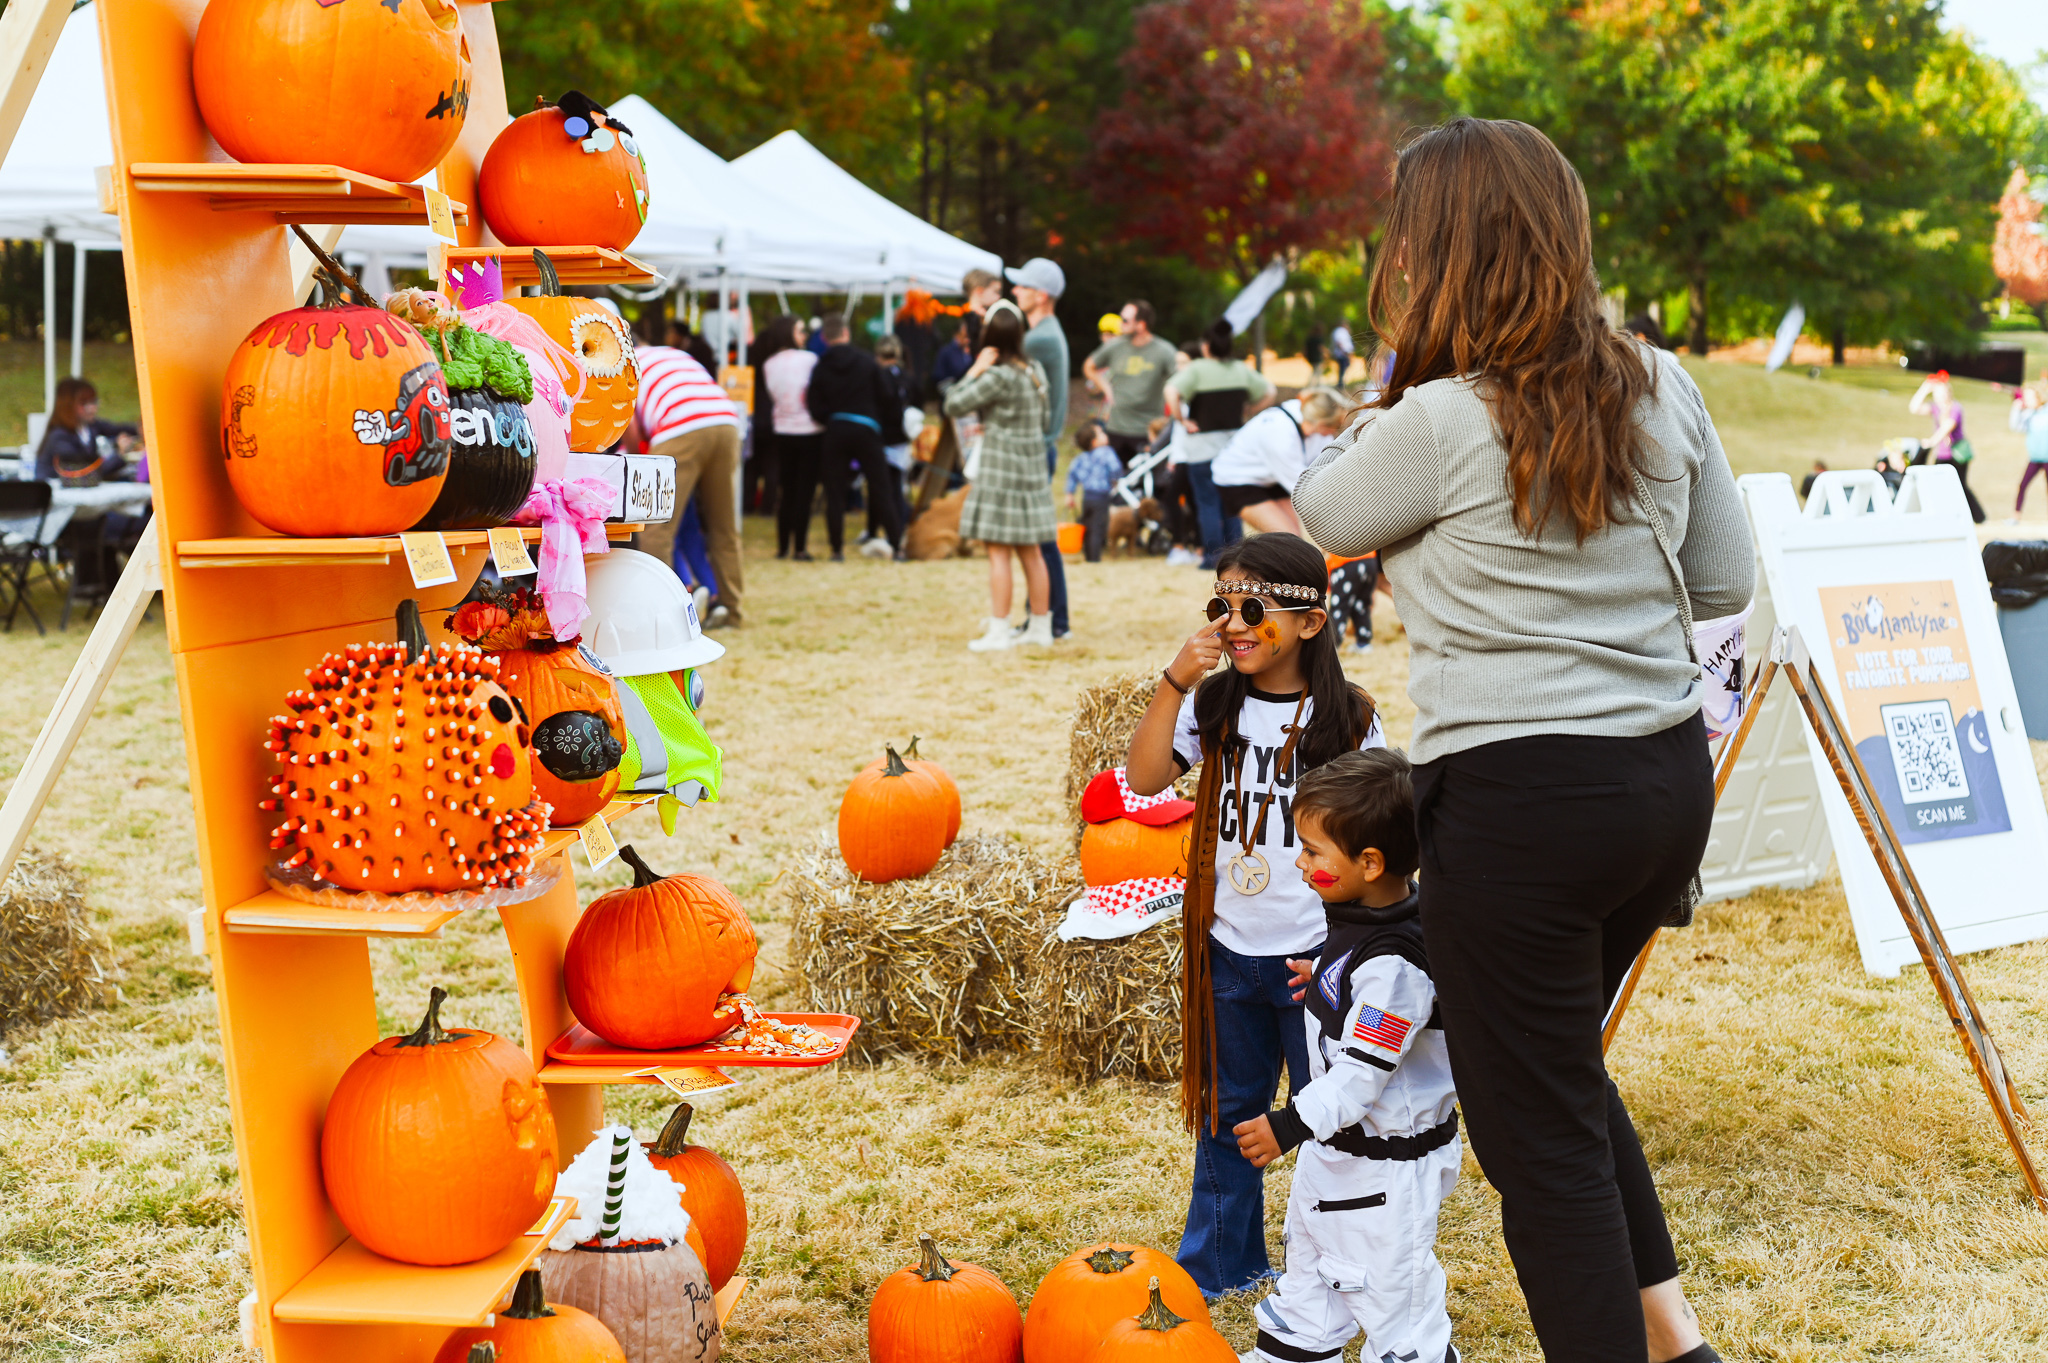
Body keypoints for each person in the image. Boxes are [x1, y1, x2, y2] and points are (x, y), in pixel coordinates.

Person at [1292, 117, 1745, 1363]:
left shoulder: (1438, 418)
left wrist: (1372, 395)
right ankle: (1674, 1341)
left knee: (1531, 1135)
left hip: (1517, 806)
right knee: (1556, 1078)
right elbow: (1721, 580)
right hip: (1657, 787)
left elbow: (1324, 508)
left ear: (1429, 258)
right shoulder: (1665, 383)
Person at [1125, 532, 1388, 1298]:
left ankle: (1337, 1262)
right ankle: (1222, 1261)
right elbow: (1142, 778)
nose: (1233, 622)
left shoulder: (1348, 717)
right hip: (1230, 948)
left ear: (1310, 622)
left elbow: (1379, 839)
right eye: (1222, 603)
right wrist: (1175, 678)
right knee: (1226, 1114)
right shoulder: (1213, 702)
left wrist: (1357, 947)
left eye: (1252, 606)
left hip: (1317, 954)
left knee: (1330, 1119)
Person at [1233, 749, 1462, 1363]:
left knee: (1391, 1294)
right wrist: (1328, 983)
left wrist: (1286, 1126)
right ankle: (1297, 1347)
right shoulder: (1361, 924)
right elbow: (1364, 1009)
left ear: (1369, 862)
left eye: (1312, 851)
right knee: (1310, 1265)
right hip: (1336, 1152)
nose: (1301, 863)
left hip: (1386, 1167)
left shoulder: (1393, 966)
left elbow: (1363, 1075)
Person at [945, 301, 1057, 650]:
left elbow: (952, 404)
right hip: (1032, 469)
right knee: (1032, 553)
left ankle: (999, 630)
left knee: (998, 553)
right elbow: (1043, 420)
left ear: (990, 336)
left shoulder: (996, 375)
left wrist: (975, 369)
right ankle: (1041, 628)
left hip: (1000, 471)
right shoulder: (1033, 370)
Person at [630, 340, 746, 627]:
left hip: (678, 428)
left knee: (656, 526)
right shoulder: (674, 353)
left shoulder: (624, 367)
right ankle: (731, 610)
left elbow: (631, 436)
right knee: (723, 527)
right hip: (726, 422)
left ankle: (663, 618)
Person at [1166, 320, 1274, 567]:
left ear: (1205, 346)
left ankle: (1212, 558)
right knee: (1232, 502)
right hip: (1233, 448)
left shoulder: (1197, 369)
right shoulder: (1239, 369)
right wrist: (1249, 410)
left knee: (1207, 503)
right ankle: (1237, 557)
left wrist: (1182, 419)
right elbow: (1269, 390)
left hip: (1201, 448)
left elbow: (1171, 392)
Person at [806, 312, 903, 561]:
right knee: (880, 487)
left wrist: (832, 418)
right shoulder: (866, 362)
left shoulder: (821, 366)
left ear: (825, 338)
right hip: (867, 428)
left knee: (835, 492)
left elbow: (813, 404)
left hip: (836, 429)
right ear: (846, 333)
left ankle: (837, 550)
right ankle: (897, 546)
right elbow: (888, 396)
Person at [1011, 255, 1072, 640]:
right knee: (1036, 537)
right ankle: (1046, 617)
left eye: (1022, 286)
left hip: (1036, 447)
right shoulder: (1046, 331)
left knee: (1037, 539)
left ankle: (1052, 620)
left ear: (1042, 294)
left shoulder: (1039, 338)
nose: (1014, 291)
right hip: (1042, 446)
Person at [1212, 387, 1349, 538]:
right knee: (1288, 537)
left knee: (1295, 539)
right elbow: (1301, 486)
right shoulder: (1278, 434)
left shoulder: (1314, 426)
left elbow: (1322, 467)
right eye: (1334, 426)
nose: (1335, 432)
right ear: (1321, 423)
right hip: (1238, 480)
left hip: (1273, 478)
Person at [1085, 300, 1180, 466]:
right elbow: (1089, 366)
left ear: (1141, 325)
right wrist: (1106, 388)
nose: (1121, 323)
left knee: (1145, 483)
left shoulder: (1164, 350)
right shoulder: (1115, 346)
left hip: (1147, 430)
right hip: (1115, 427)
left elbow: (1180, 380)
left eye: (1125, 320)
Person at [761, 315, 823, 560]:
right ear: (789, 333)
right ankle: (800, 547)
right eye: (800, 331)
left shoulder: (769, 364)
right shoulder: (810, 359)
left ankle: (783, 546)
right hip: (809, 430)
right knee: (804, 492)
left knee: (785, 490)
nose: (805, 335)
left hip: (782, 430)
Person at [1909, 370, 1985, 524]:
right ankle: (1947, 516)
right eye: (1937, 393)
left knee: (1961, 486)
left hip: (1957, 455)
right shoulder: (1935, 408)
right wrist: (1925, 388)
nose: (1940, 396)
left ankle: (1979, 517)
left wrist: (1931, 442)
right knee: (1939, 486)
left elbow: (1947, 427)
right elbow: (1914, 408)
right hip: (1942, 454)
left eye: (1942, 393)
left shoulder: (1955, 408)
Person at [36, 376, 138, 483]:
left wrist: (143, 429)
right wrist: (120, 454)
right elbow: (86, 474)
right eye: (84, 403)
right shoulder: (59, 436)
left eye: (93, 402)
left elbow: (119, 429)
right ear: (68, 405)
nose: (92, 408)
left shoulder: (90, 426)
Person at [870, 336, 918, 552]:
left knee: (883, 488)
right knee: (896, 485)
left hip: (883, 438)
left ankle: (889, 531)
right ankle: (895, 527)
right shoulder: (907, 378)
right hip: (901, 439)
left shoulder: (878, 378)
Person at [1066, 420, 1122, 562]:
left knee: (1088, 526)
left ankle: (1087, 554)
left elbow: (1072, 474)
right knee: (1098, 527)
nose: (1105, 434)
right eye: (1101, 433)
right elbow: (1115, 468)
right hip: (1101, 496)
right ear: (1094, 442)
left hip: (1087, 497)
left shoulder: (1081, 458)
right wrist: (1115, 480)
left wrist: (1070, 493)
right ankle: (1095, 558)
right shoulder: (1106, 452)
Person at [2012, 375, 2048, 521]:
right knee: (2022, 485)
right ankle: (2016, 517)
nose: (2026, 401)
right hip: (2035, 457)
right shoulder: (2029, 414)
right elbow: (2016, 427)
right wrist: (2016, 410)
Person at [1328, 318, 1355, 387]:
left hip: (1343, 353)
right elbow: (1339, 342)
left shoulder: (1341, 331)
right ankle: (1340, 383)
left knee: (1344, 367)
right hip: (1342, 354)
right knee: (1343, 367)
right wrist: (1345, 351)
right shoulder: (1339, 331)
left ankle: (1341, 382)